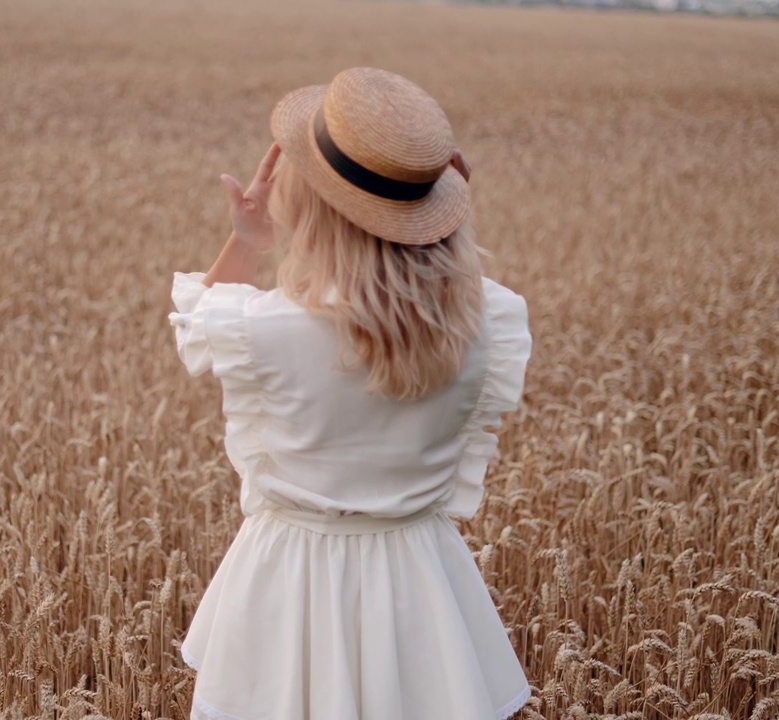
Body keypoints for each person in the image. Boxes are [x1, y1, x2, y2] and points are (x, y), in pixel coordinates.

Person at [168, 67, 533, 720]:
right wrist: (435, 219)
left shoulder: (265, 331)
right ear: (428, 213)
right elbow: (451, 284)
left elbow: (197, 323)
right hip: (418, 581)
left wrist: (247, 240)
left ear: (308, 207)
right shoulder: (483, 328)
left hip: (288, 581)